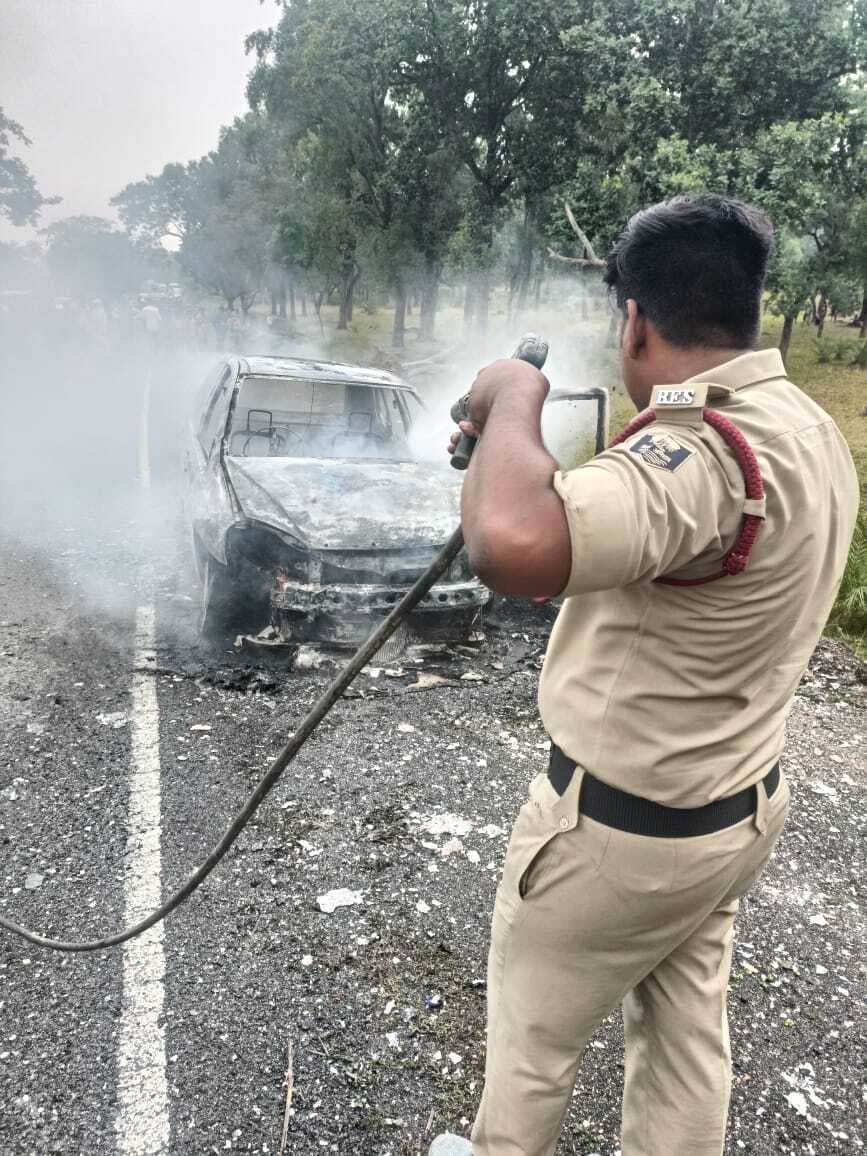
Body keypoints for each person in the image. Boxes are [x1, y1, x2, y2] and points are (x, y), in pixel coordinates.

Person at [429, 194, 859, 1156]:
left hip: (616, 838)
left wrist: (511, 402)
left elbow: (512, 543)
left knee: (531, 1053)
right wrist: (509, 457)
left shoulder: (703, 447)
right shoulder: (804, 427)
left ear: (632, 320)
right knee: (683, 1045)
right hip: (731, 813)